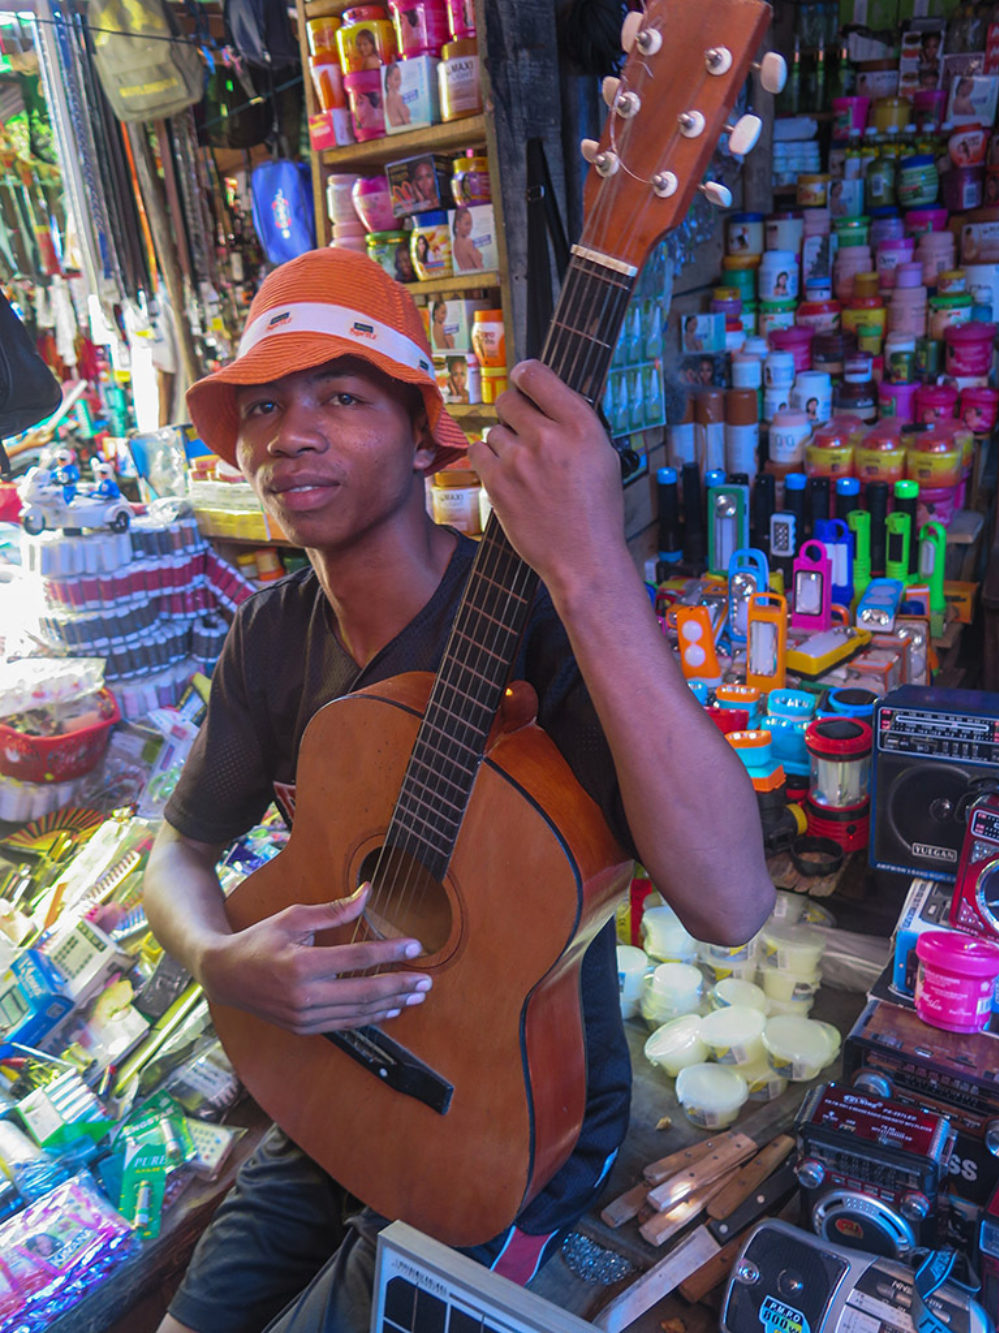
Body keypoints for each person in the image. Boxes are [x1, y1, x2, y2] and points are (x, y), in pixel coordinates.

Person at [144, 247, 775, 1333]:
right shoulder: (269, 633)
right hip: (325, 1069)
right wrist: (220, 960)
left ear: (422, 432)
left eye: (339, 396)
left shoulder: (539, 612)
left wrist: (585, 565)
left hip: (508, 1112)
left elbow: (730, 903)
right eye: (261, 404)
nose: (288, 431)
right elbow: (179, 850)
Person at [451, 206, 483, 271]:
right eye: (467, 224)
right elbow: (480, 268)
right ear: (458, 224)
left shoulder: (455, 243)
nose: (470, 227)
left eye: (471, 224)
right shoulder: (468, 242)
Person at [384, 62, 410, 127]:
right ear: (388, 80)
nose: (399, 82)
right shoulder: (398, 98)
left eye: (400, 78)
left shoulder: (386, 100)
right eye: (396, 79)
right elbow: (408, 122)